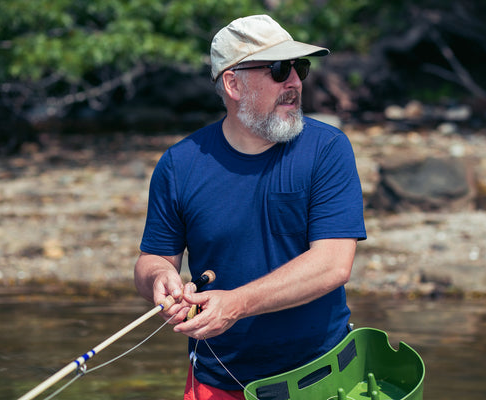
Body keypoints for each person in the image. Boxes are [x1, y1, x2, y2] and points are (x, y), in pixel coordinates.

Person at [134, 14, 366, 400]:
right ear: (232, 83)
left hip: (322, 380)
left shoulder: (328, 149)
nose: (294, 81)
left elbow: (333, 264)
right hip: (216, 382)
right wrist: (159, 279)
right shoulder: (179, 164)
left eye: (299, 67)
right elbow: (152, 259)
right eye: (278, 69)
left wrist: (237, 304)